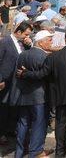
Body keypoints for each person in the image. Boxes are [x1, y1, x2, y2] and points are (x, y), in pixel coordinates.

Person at [17, 30, 66, 157]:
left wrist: (25, 73)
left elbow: (42, 74)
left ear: (65, 40)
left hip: (60, 95)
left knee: (61, 123)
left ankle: (61, 150)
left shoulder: (53, 57)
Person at [13, 30, 53, 158]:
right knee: (38, 124)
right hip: (39, 97)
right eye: (49, 40)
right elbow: (46, 76)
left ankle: (19, 152)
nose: (51, 42)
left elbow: (18, 74)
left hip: (24, 95)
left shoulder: (23, 55)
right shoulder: (44, 57)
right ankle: (36, 151)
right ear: (41, 43)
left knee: (23, 123)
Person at [0, 21, 33, 143]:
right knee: (3, 107)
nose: (27, 37)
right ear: (19, 32)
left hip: (17, 81)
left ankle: (10, 129)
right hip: (5, 81)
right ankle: (1, 133)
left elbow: (26, 55)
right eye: (26, 34)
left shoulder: (23, 43)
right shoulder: (5, 42)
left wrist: (29, 44)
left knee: (13, 106)